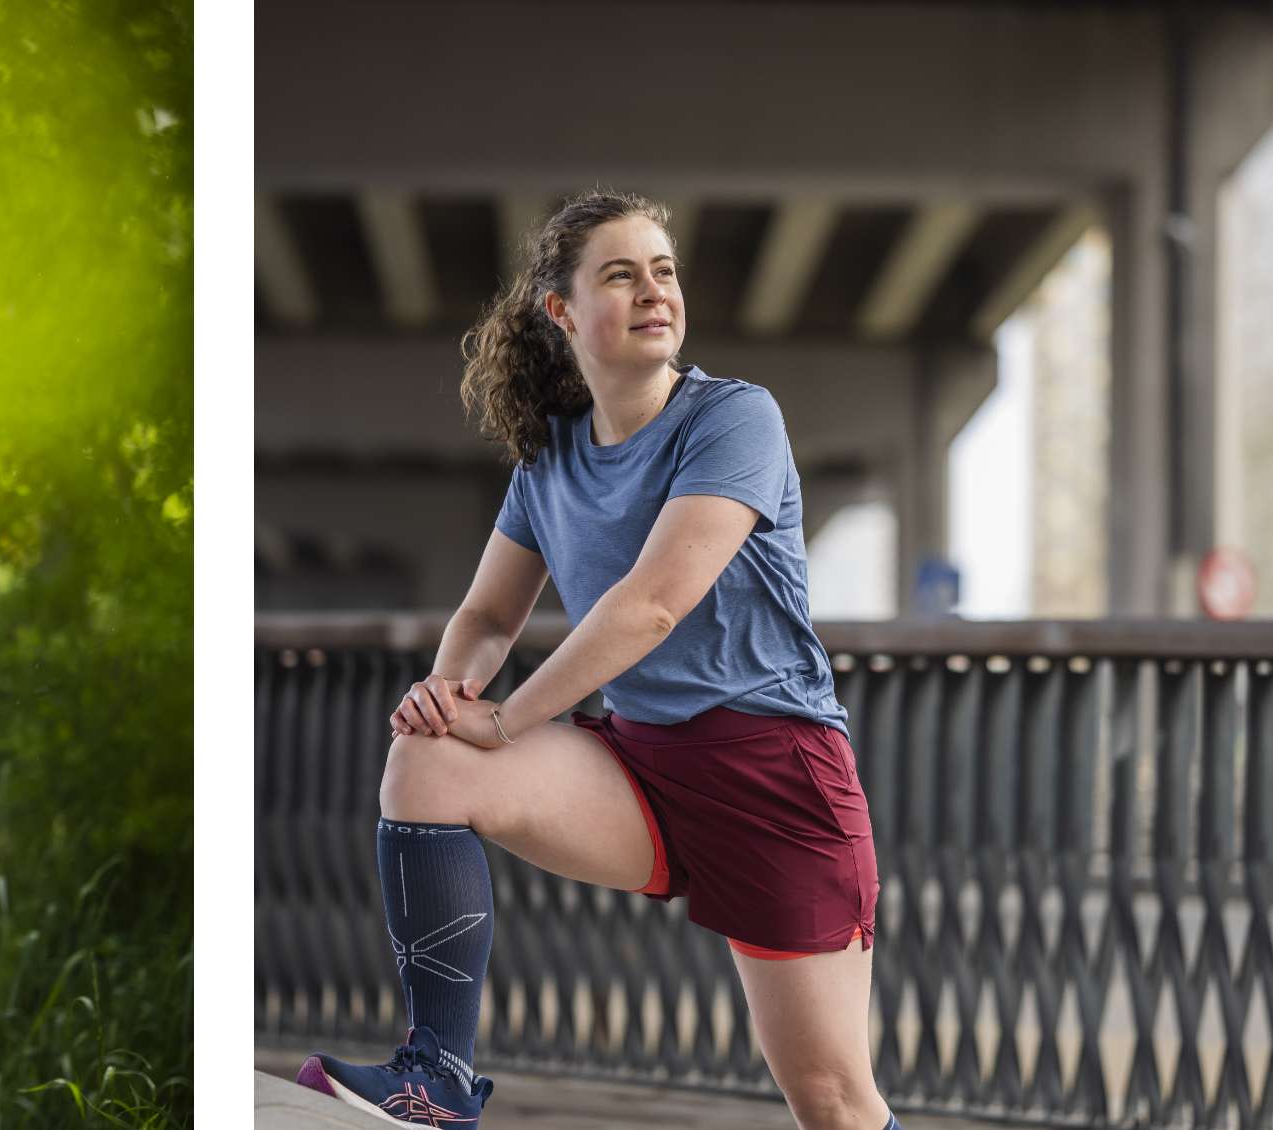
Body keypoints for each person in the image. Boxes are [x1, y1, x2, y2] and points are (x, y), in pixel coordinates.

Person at [292, 190, 897, 1130]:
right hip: (642, 766)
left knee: (830, 1099)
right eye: (621, 275)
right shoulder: (549, 462)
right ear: (562, 312)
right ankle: (438, 1077)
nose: (655, 291)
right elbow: (490, 611)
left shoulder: (736, 419)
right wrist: (451, 696)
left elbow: (649, 607)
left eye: (663, 271)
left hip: (775, 774)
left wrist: (505, 718)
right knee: (429, 761)